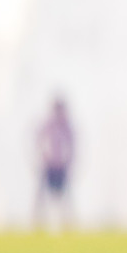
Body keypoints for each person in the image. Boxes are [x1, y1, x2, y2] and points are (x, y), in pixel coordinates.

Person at [33, 96, 75, 229]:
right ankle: (38, 223)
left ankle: (66, 223)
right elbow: (39, 140)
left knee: (65, 196)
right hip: (49, 165)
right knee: (42, 196)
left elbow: (72, 145)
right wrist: (44, 155)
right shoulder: (48, 124)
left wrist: (67, 160)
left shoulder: (67, 126)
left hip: (61, 166)